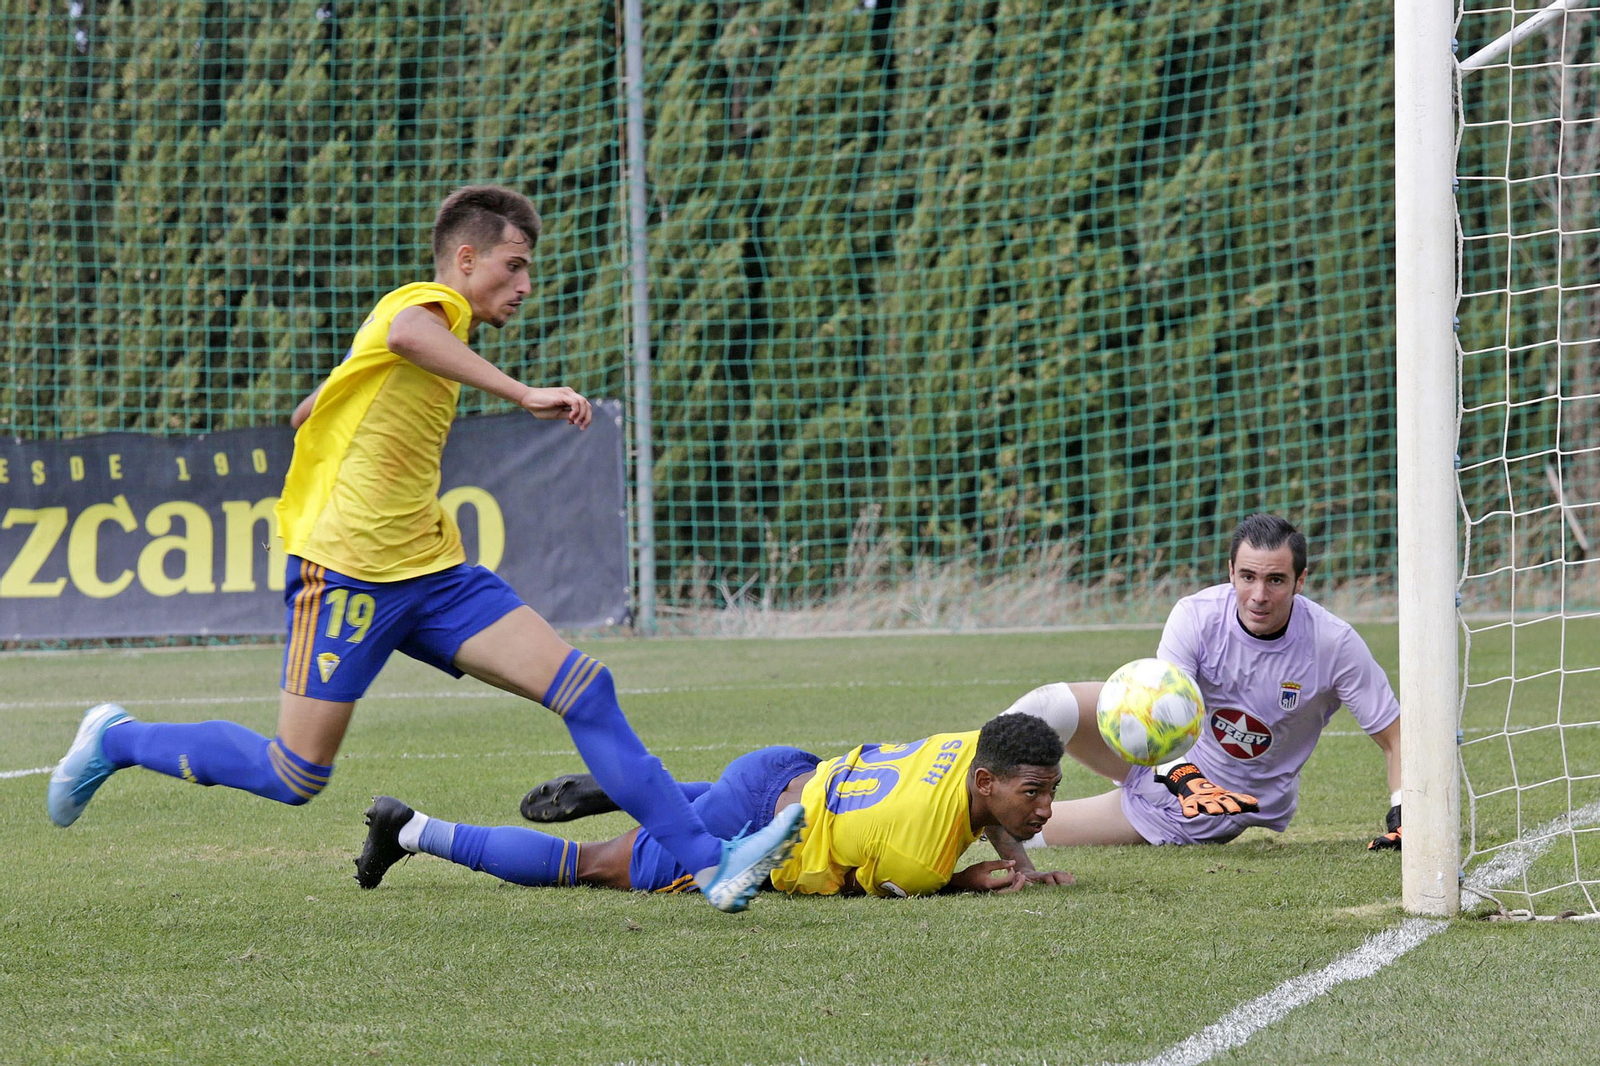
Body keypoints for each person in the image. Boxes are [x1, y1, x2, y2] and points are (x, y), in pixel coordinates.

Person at [46, 185, 802, 913]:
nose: (526, 283)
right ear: (465, 259)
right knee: (294, 772)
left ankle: (712, 865)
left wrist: (335, 402)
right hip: (347, 572)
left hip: (434, 573)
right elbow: (407, 333)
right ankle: (119, 738)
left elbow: (317, 402)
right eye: (515, 264)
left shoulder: (425, 328)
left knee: (585, 689)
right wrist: (522, 393)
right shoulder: (428, 305)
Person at [996, 513, 1402, 857]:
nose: (1258, 595)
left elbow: (1395, 736)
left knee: (1016, 827)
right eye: (1247, 577)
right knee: (1050, 705)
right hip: (1168, 763)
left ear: (1300, 581)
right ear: (1230, 572)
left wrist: (1406, 815)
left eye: (1276, 580)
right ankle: (959, 773)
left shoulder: (1334, 644)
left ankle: (981, 813)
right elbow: (1162, 711)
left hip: (1215, 803)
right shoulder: (1196, 616)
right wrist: (1186, 777)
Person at [353, 713, 1076, 899]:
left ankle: (645, 794)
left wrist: (1022, 861)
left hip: (781, 770)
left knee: (691, 813)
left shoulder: (972, 744)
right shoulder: (921, 856)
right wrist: (963, 880)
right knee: (593, 867)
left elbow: (995, 813)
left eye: (1050, 793)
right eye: (1032, 793)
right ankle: (411, 829)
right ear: (987, 782)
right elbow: (882, 887)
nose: (1042, 810)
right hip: (764, 825)